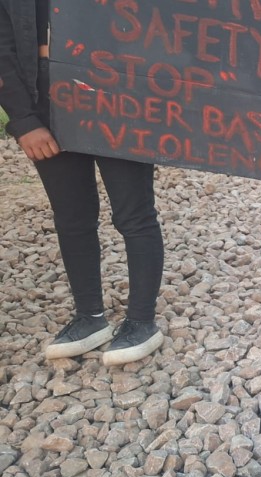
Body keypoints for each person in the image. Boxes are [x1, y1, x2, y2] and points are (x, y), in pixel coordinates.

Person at [0, 0, 164, 365]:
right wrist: (23, 119)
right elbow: (3, 39)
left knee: (134, 212)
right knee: (71, 214)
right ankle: (89, 318)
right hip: (43, 90)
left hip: (121, 86)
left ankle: (142, 321)